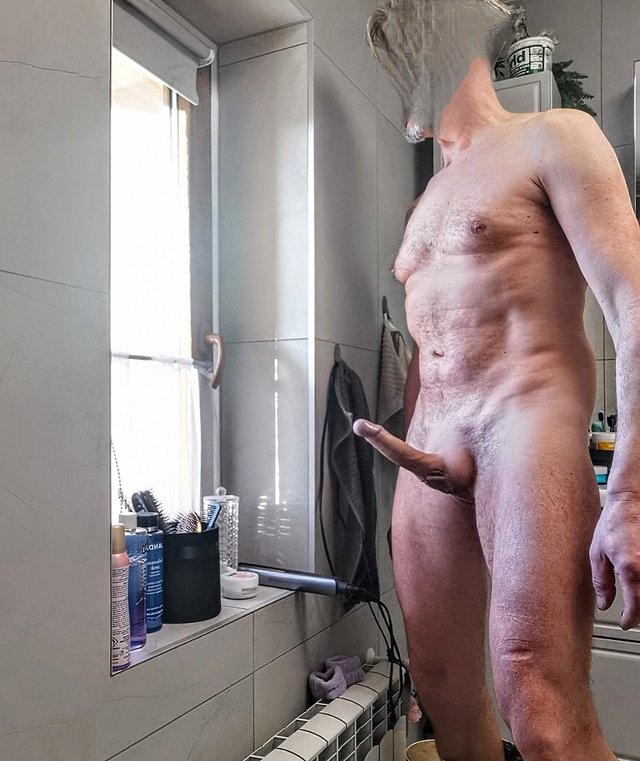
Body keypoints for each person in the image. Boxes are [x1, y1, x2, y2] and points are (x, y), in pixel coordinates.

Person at [352, 1, 640, 759]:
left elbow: (632, 304)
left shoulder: (555, 135)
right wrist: (409, 473)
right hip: (428, 451)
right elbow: (433, 348)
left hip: (525, 427)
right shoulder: (422, 205)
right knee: (443, 692)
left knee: (540, 706)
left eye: (405, 46)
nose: (398, 70)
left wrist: (630, 495)